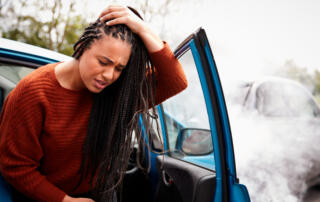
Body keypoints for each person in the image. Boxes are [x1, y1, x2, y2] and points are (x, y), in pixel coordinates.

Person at [0, 5, 187, 202]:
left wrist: (143, 29)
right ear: (82, 47)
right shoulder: (33, 93)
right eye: (103, 62)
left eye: (119, 68)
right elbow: (15, 167)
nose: (109, 75)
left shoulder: (116, 93)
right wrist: (66, 201)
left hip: (100, 193)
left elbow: (175, 81)